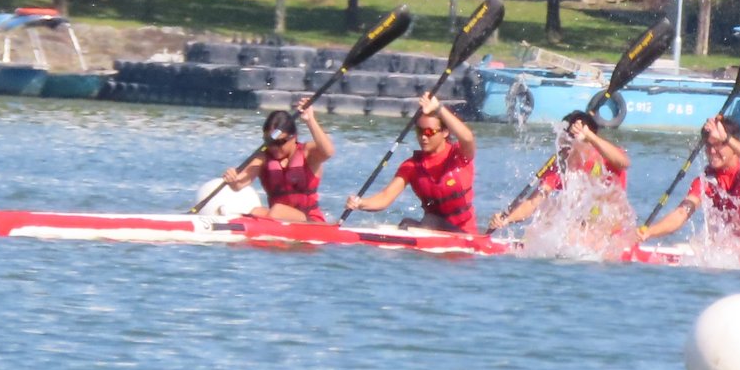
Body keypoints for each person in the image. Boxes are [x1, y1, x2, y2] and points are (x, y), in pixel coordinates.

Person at [638, 115, 740, 255]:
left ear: (732, 144)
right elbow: (682, 213)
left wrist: (727, 138)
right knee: (679, 248)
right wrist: (649, 232)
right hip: (730, 253)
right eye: (708, 145)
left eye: (718, 145)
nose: (712, 151)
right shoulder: (707, 181)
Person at [346, 92, 479, 233]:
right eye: (419, 131)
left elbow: (468, 138)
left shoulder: (459, 155)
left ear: (445, 132)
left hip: (465, 235)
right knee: (406, 223)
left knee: (429, 221)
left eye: (429, 132)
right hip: (433, 233)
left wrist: (438, 108)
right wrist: (360, 203)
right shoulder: (412, 166)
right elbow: (385, 198)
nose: (423, 137)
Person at [487, 109, 632, 232]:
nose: (562, 145)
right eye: (561, 139)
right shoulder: (561, 166)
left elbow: (624, 163)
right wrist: (507, 219)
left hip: (611, 230)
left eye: (567, 140)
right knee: (547, 216)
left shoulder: (604, 156)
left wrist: (590, 136)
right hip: (582, 230)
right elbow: (532, 203)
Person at [221, 98, 334, 222]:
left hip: (310, 222)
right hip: (279, 221)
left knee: (276, 210)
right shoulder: (263, 157)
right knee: (256, 211)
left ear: (293, 137)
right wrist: (232, 179)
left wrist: (310, 120)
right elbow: (239, 184)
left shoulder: (307, 152)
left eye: (279, 142)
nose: (274, 147)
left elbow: (328, 152)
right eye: (269, 142)